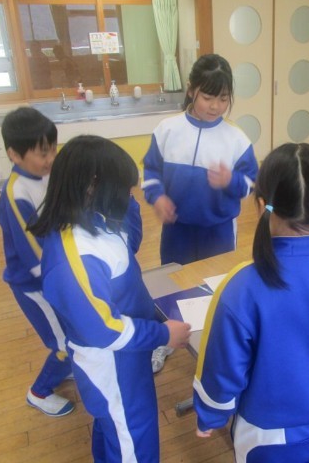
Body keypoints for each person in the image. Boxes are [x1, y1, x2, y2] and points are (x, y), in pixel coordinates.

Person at [192, 143, 309, 462]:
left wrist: (210, 414)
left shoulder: (242, 286)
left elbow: (222, 366)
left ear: (261, 205)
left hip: (268, 435)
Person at [27, 135, 191, 463]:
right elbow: (103, 330)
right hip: (112, 364)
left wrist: (157, 320)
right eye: (126, 192)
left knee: (114, 430)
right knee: (131, 438)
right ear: (92, 187)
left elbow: (128, 259)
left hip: (128, 354)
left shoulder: (97, 221)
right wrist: (162, 334)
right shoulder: (74, 257)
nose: (131, 197)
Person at [142, 53, 259, 373]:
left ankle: (216, 341)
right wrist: (157, 197)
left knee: (216, 286)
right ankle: (165, 340)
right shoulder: (167, 130)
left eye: (223, 98)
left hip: (218, 230)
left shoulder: (236, 139)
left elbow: (251, 184)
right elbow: (150, 172)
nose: (215, 106)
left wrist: (231, 181)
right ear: (191, 89)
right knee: (172, 285)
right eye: (208, 97)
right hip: (177, 229)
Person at [0, 107, 74, 417]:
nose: (51, 159)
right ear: (14, 155)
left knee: (71, 333)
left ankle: (66, 364)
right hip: (34, 284)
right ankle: (39, 392)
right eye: (43, 154)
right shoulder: (16, 193)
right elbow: (33, 254)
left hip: (55, 274)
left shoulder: (46, 174)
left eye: (53, 150)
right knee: (64, 343)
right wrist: (66, 282)